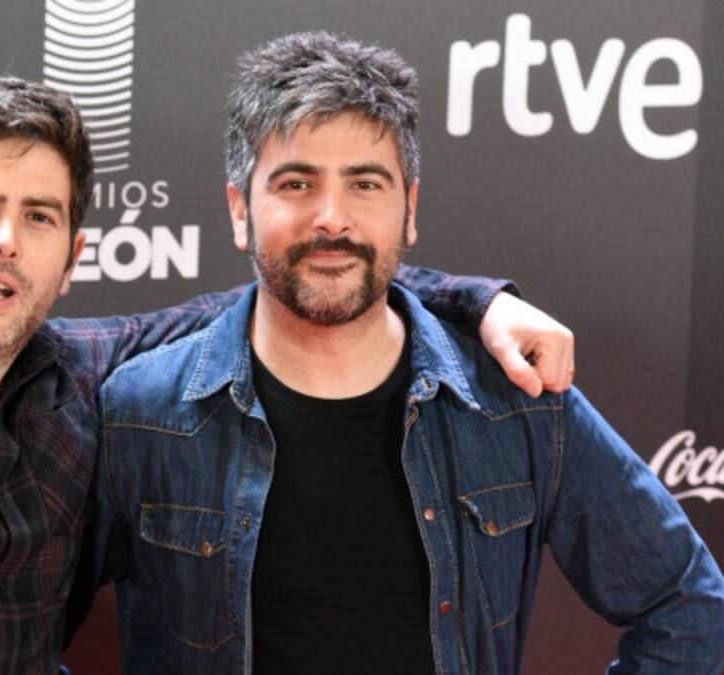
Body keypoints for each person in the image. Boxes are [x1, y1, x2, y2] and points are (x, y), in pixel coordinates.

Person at [0, 76, 574, 674]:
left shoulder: (85, 373)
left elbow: (299, 281)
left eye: (39, 217)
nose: (5, 239)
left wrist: (475, 301)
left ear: (71, 261)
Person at [79, 31, 724, 675]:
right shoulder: (139, 414)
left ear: (409, 208)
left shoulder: (517, 402)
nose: (331, 218)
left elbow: (690, 607)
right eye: (297, 183)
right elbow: (23, 629)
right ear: (240, 209)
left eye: (365, 183)